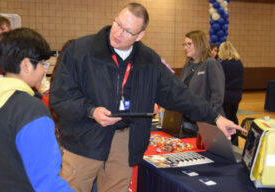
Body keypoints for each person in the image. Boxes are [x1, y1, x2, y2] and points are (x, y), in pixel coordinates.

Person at [50, 3, 245, 192]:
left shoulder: (149, 60)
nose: (117, 33)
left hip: (124, 140)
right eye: (117, 24)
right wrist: (91, 111)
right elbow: (61, 96)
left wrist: (216, 118)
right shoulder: (80, 50)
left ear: (140, 35)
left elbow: (180, 94)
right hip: (85, 136)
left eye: (127, 31)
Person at [0, 27, 73, 192]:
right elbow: (46, 182)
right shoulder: (31, 110)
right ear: (26, 65)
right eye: (43, 63)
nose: (45, 70)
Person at [180, 31, 225, 137]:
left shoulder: (210, 63)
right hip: (188, 123)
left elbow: (217, 96)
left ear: (200, 44)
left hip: (206, 123)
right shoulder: (187, 66)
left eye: (189, 44)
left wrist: (210, 120)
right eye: (185, 44)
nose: (185, 47)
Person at [218, 41, 244, 125]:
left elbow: (219, 81)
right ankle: (235, 135)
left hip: (226, 96)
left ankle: (229, 137)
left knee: (226, 118)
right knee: (233, 116)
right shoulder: (239, 63)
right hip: (237, 95)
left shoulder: (223, 64)